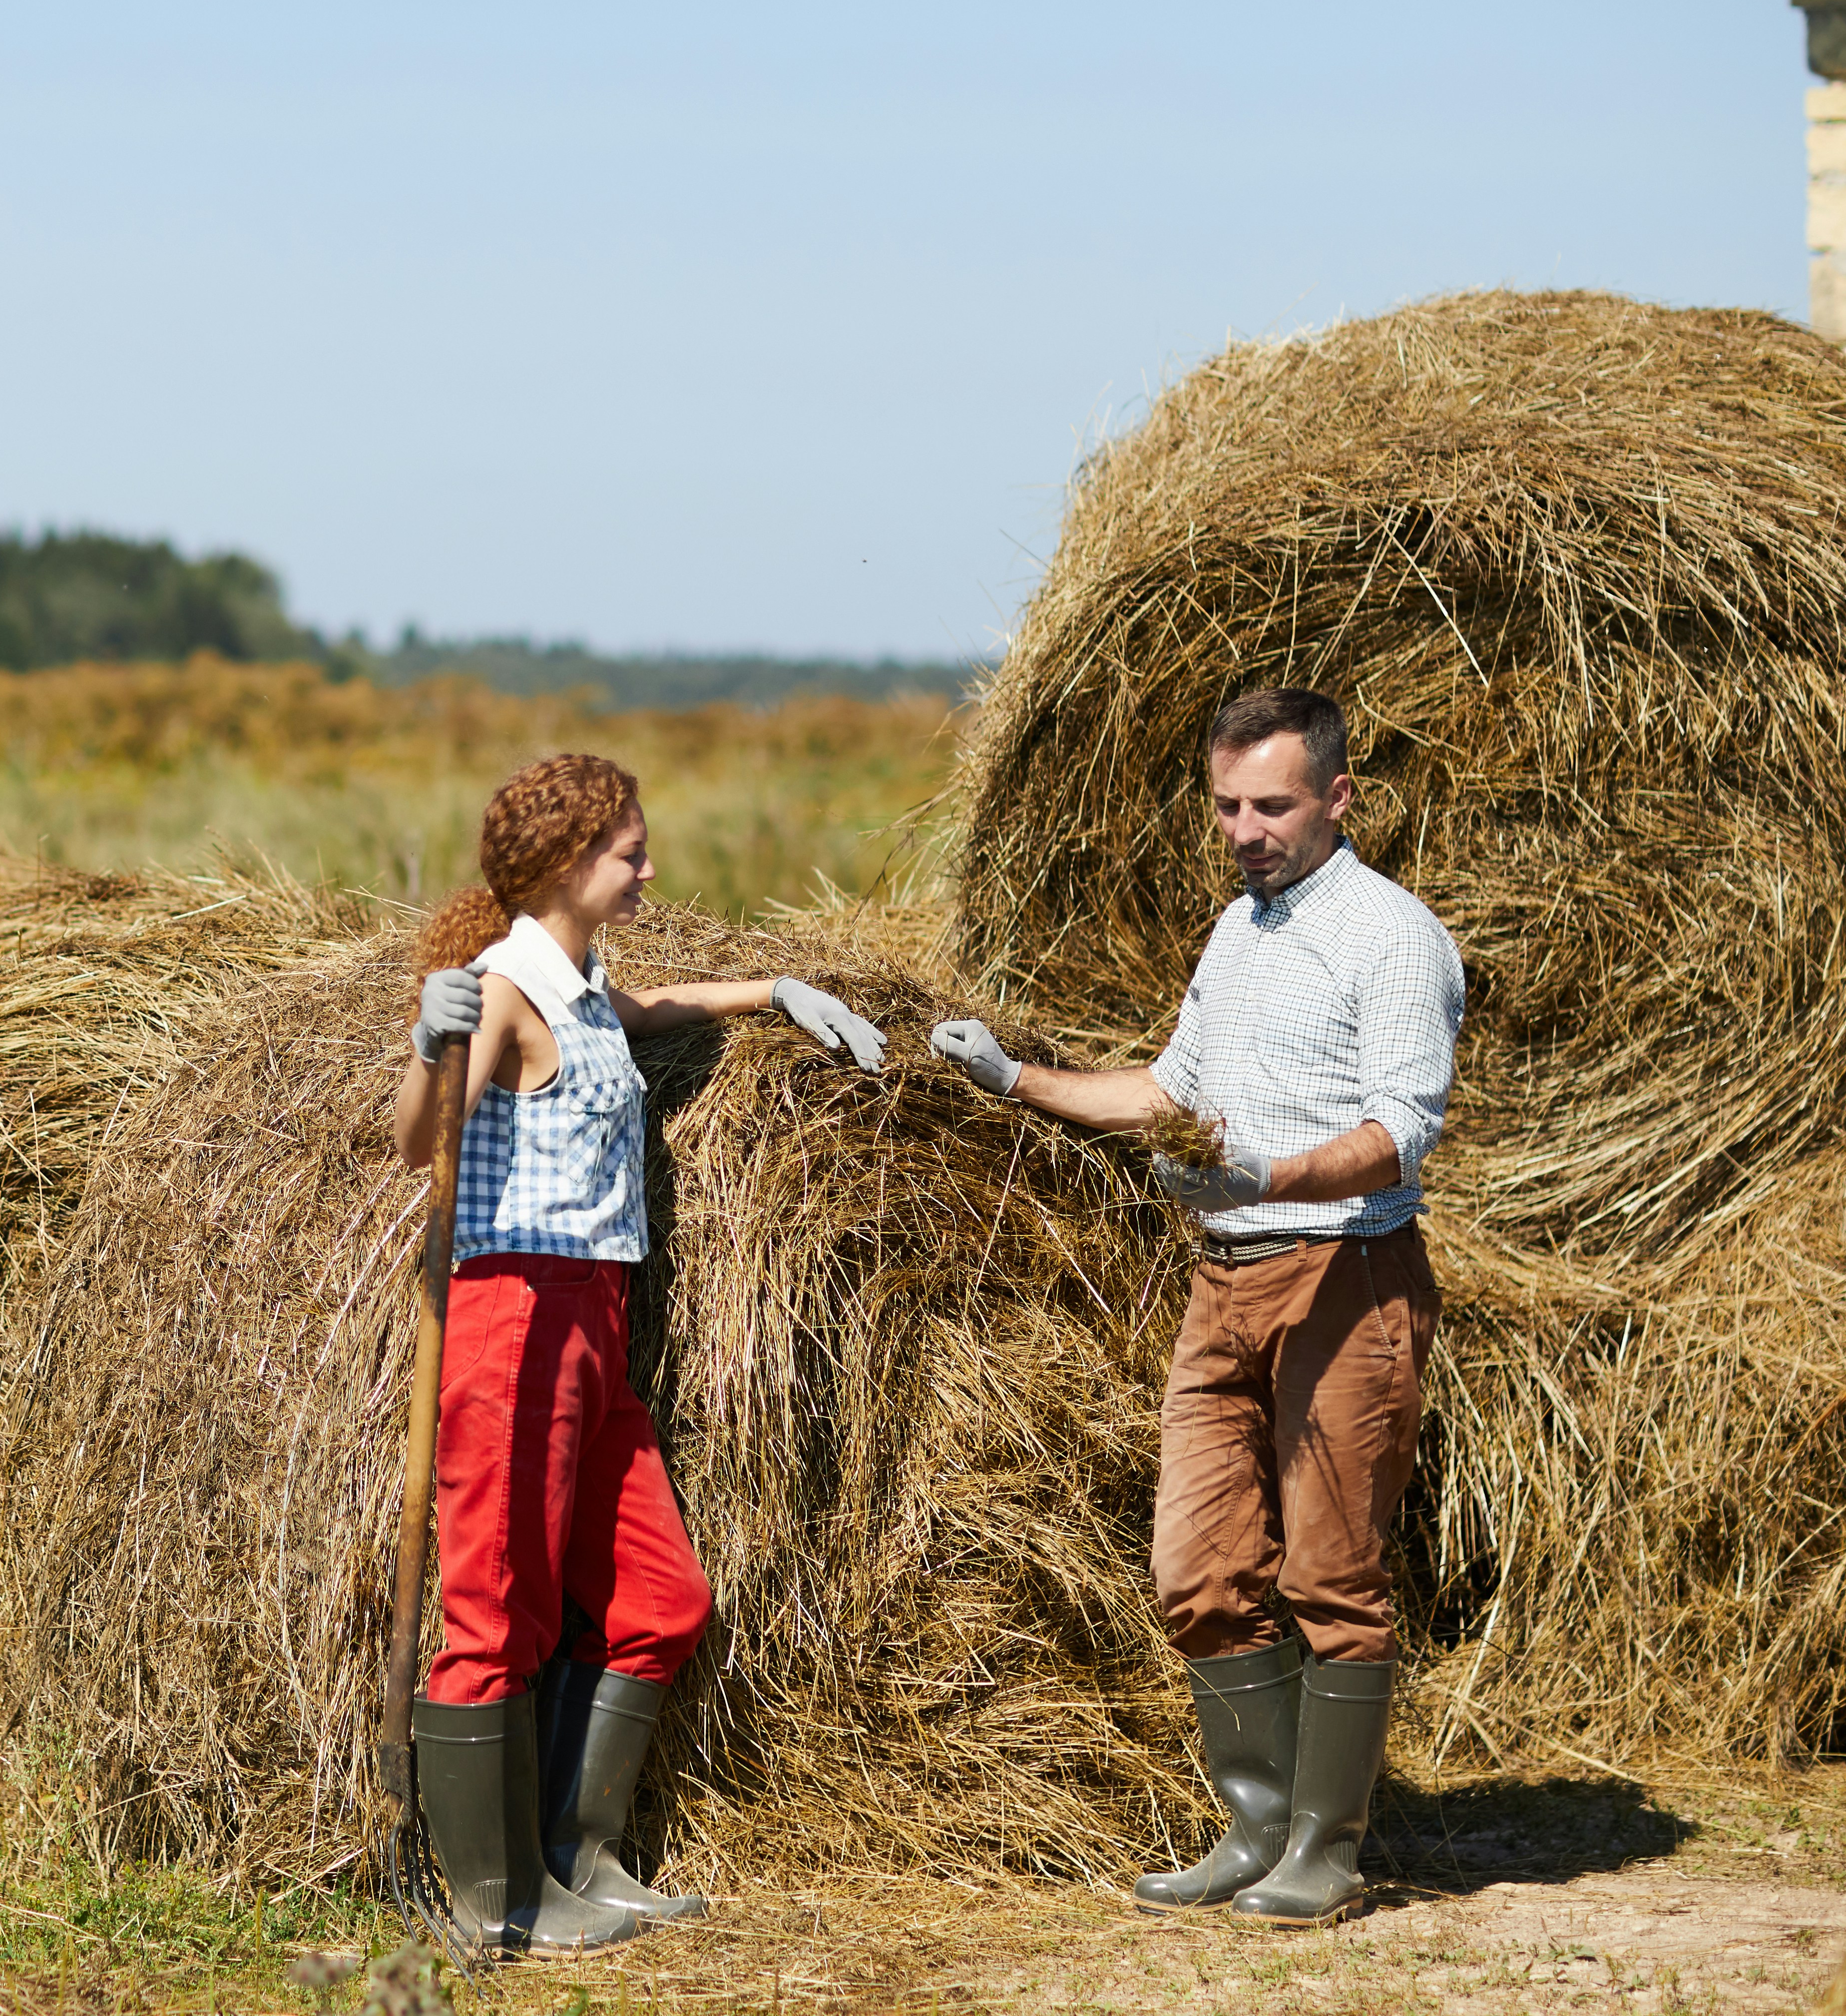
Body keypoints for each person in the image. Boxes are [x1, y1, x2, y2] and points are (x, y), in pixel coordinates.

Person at [926, 687, 1463, 1928]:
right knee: (1197, 1568)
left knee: (1333, 1572)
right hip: (1222, 1277)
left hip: (1348, 1274)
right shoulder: (1239, 932)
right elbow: (1169, 1087)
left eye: (1271, 804)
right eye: (1228, 806)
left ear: (1339, 798)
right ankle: (1256, 1825)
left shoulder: (1393, 938)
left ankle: (1325, 1852)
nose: (1245, 828)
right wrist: (1016, 1075)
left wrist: (1267, 1174)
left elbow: (1403, 1129)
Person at [393, 751, 889, 1957]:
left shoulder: (580, 977)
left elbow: (648, 1015)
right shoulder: (502, 984)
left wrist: (772, 989)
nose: (649, 867)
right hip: (516, 1314)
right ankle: (495, 1899)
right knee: (495, 1607)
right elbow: (414, 1144)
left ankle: (581, 1853)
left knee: (663, 1595)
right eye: (630, 851)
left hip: (595, 1321)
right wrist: (427, 1036)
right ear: (571, 861)